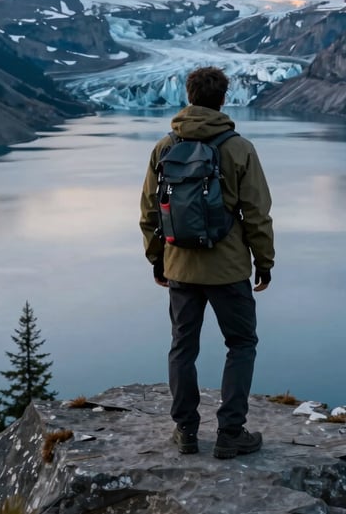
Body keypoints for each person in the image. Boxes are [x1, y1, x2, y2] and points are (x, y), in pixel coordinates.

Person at [139, 66, 275, 459]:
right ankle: (231, 433)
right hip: (229, 269)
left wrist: (157, 259)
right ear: (223, 98)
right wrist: (264, 262)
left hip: (180, 266)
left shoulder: (165, 147)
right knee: (241, 343)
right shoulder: (239, 147)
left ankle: (185, 431)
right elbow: (257, 212)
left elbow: (150, 210)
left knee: (182, 347)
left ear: (189, 95)